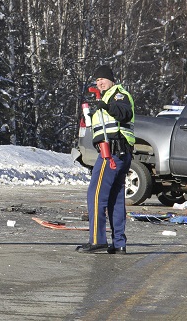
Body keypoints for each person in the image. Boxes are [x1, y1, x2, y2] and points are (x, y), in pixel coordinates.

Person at [77, 65, 135, 254]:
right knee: (115, 200)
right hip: (119, 154)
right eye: (97, 80)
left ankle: (97, 240)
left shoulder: (118, 94)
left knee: (95, 195)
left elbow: (124, 112)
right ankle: (119, 243)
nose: (99, 83)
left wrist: (107, 106)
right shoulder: (104, 98)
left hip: (111, 154)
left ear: (111, 79)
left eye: (102, 79)